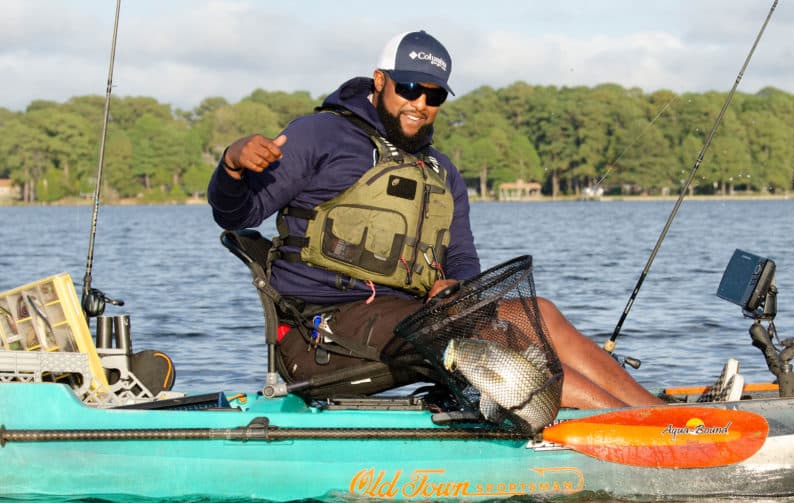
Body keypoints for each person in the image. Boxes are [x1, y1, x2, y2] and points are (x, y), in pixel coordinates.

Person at [208, 30, 661, 409]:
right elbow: (236, 213)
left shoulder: (441, 170)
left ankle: (655, 416)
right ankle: (635, 428)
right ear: (381, 81)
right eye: (409, 88)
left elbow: (461, 255)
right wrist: (231, 163)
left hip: (408, 321)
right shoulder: (318, 135)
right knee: (484, 339)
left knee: (537, 314)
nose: (420, 103)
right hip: (321, 336)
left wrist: (457, 287)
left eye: (434, 94)